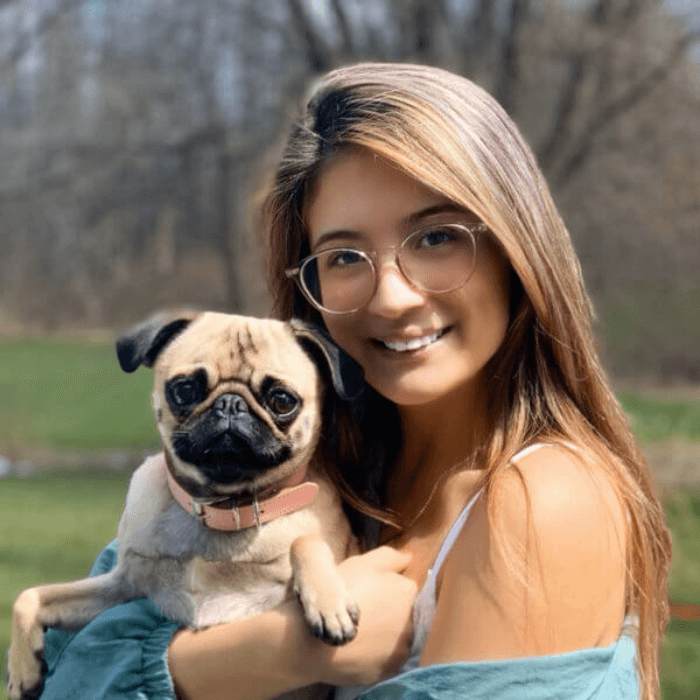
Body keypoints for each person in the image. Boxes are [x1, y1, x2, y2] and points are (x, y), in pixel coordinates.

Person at [36, 63, 671, 700]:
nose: (392, 297)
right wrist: (279, 653)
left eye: (437, 237)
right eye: (344, 255)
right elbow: (60, 671)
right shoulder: (296, 471)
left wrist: (251, 656)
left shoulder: (539, 504)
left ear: (517, 248)